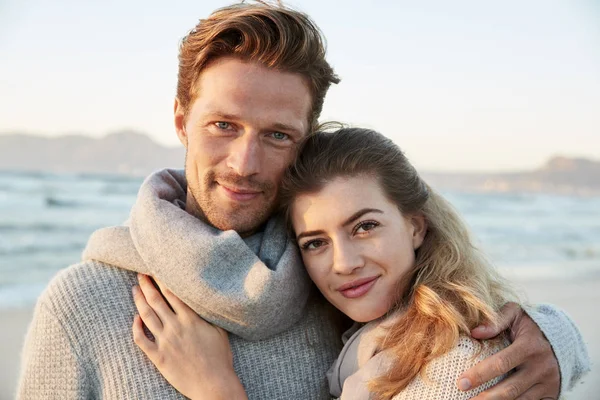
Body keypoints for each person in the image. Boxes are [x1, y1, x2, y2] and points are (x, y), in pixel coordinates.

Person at [17, 2, 588, 399]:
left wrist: (553, 339)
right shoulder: (81, 305)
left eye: (277, 135)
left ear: (306, 141)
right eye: (222, 125)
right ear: (180, 121)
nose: (244, 163)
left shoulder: (336, 289)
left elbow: (445, 313)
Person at [127, 127, 590, 399]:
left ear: (415, 226)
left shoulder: (456, 364)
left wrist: (216, 388)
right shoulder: (374, 339)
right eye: (314, 243)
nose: (343, 263)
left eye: (364, 227)